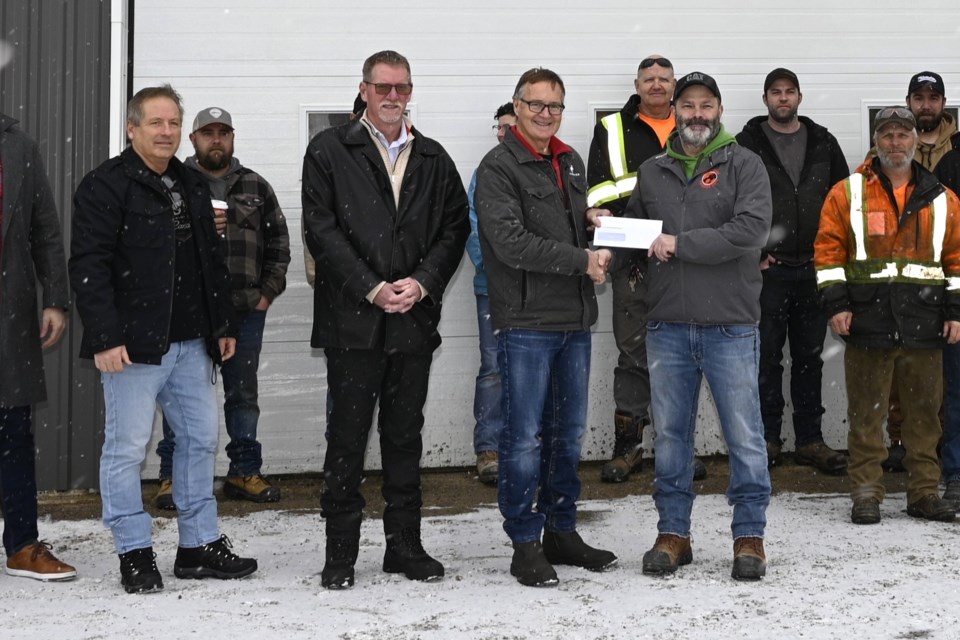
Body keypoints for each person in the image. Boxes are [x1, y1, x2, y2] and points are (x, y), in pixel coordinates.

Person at [70, 85, 258, 594]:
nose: (167, 132)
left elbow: (210, 264)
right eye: (155, 123)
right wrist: (106, 337)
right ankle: (134, 552)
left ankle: (197, 546)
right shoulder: (105, 186)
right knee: (128, 448)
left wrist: (222, 326)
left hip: (192, 345)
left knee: (200, 440)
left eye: (173, 123)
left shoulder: (190, 184)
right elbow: (89, 266)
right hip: (133, 347)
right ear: (132, 128)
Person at [302, 50, 469, 590]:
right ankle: (341, 554)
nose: (393, 96)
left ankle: (404, 546)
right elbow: (320, 229)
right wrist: (371, 287)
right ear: (364, 90)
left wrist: (421, 282)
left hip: (412, 321)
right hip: (353, 322)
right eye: (383, 87)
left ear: (411, 90)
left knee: (404, 437)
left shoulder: (434, 158)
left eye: (402, 87)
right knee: (346, 439)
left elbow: (454, 229)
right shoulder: (330, 149)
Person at [620, 72, 772, 580]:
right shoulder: (652, 170)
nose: (698, 114)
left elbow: (749, 231)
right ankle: (673, 534)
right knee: (671, 439)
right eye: (689, 106)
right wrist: (604, 234)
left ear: (719, 111)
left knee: (745, 437)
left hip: (730, 326)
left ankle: (749, 537)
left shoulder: (744, 164)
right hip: (668, 326)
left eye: (707, 105)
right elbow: (638, 235)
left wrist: (681, 245)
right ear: (676, 112)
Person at [477, 67, 618, 588]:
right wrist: (582, 259)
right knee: (522, 438)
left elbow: (562, 221)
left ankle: (561, 529)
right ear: (516, 107)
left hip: (574, 321)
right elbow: (510, 243)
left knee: (567, 435)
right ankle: (524, 541)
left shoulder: (570, 160)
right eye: (534, 104)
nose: (544, 114)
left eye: (554, 106)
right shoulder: (498, 168)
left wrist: (592, 219)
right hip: (528, 323)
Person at [815, 106, 960, 525]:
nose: (895, 142)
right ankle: (865, 493)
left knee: (924, 417)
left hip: (925, 325)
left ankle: (924, 493)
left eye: (903, 135)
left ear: (916, 140)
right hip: (868, 323)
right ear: (876, 141)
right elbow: (828, 253)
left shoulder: (942, 197)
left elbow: (955, 260)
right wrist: (837, 305)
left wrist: (955, 312)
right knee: (866, 415)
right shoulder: (848, 193)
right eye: (888, 135)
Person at [153, 106, 291, 510]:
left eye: (223, 132)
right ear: (193, 139)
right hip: (188, 312)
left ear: (233, 138)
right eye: (207, 132)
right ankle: (171, 477)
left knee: (242, 393)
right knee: (179, 394)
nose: (216, 139)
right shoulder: (172, 184)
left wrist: (266, 293)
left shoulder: (255, 186)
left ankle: (243, 472)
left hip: (244, 310)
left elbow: (279, 244)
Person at [586, 55, 707, 483]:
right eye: (648, 79)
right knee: (633, 353)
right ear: (636, 84)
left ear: (674, 85)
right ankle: (628, 446)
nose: (656, 85)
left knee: (681, 355)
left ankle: (680, 449)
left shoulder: (695, 125)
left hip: (684, 261)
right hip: (634, 262)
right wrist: (607, 220)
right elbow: (599, 192)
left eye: (664, 79)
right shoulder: (612, 128)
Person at [736, 68, 850, 473]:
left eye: (789, 93)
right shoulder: (746, 145)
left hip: (815, 269)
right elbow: (734, 203)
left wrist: (836, 256)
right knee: (765, 357)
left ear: (800, 97)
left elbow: (843, 200)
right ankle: (767, 438)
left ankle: (810, 440)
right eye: (775, 93)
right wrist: (753, 253)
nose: (783, 99)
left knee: (809, 357)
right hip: (770, 271)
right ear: (765, 98)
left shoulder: (823, 141)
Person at [0, 112, 76, 582]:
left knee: (12, 432)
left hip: (10, 312)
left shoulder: (19, 147)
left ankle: (23, 545)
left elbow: (45, 228)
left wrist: (57, 300)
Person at [874, 72, 960, 472]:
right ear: (909, 102)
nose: (926, 104)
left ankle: (941, 450)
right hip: (901, 280)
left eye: (933, 98)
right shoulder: (885, 157)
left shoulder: (957, 151)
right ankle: (898, 441)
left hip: (947, 275)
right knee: (899, 368)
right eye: (919, 98)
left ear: (944, 104)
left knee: (944, 374)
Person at [466, 102, 515, 485]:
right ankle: (489, 448)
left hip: (537, 293)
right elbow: (472, 225)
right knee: (493, 368)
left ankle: (526, 448)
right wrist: (494, 269)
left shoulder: (544, 168)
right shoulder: (483, 173)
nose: (502, 133)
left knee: (535, 369)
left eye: (508, 126)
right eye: (498, 127)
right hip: (491, 289)